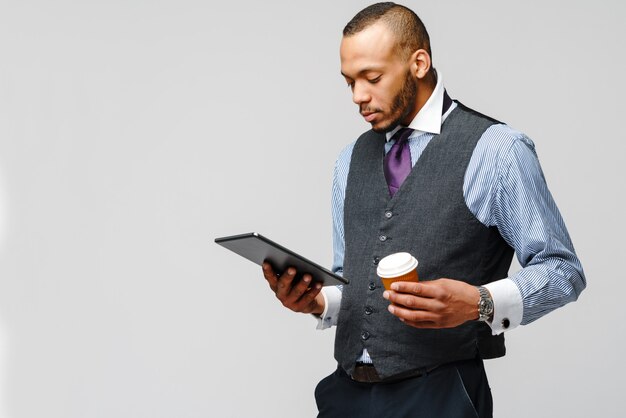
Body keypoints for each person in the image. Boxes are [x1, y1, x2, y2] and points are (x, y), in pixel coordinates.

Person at [262, 3, 586, 417]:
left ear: (419, 62)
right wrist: (315, 301)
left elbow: (563, 271)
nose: (359, 96)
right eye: (349, 82)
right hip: (346, 396)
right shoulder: (349, 160)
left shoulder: (497, 150)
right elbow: (356, 284)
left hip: (441, 395)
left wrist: (480, 303)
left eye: (372, 77)